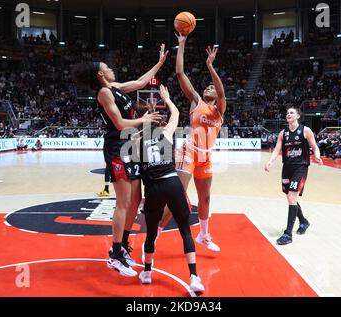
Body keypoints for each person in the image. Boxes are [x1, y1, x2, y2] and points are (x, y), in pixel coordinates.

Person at [72, 44, 167, 277]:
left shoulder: (114, 87)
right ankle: (114, 255)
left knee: (136, 200)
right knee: (123, 203)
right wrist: (145, 119)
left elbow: (140, 83)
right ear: (100, 74)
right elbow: (120, 124)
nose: (112, 68)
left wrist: (160, 63)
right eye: (107, 67)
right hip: (117, 148)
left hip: (130, 145)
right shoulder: (104, 93)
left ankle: (123, 246)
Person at [157, 34, 227, 252]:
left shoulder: (220, 108)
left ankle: (204, 235)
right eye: (206, 86)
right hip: (188, 151)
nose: (208, 88)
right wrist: (182, 44)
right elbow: (180, 73)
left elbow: (222, 92)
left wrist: (210, 66)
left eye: (211, 88)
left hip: (206, 155)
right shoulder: (197, 101)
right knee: (178, 196)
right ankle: (154, 236)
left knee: (205, 198)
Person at [137, 85, 204, 292]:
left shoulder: (136, 141)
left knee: (150, 235)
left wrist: (140, 200)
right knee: (184, 230)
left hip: (153, 189)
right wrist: (167, 99)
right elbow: (175, 113)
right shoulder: (166, 132)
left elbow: (137, 176)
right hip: (172, 183)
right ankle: (193, 277)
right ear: (159, 122)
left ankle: (147, 272)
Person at [264, 107, 323, 245]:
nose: (288, 114)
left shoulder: (305, 130)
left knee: (291, 197)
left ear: (297, 116)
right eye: (287, 113)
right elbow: (277, 150)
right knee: (290, 198)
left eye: (291, 112)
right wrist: (270, 161)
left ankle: (288, 234)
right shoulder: (282, 133)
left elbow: (314, 147)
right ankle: (303, 221)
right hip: (287, 168)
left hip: (300, 167)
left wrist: (317, 157)